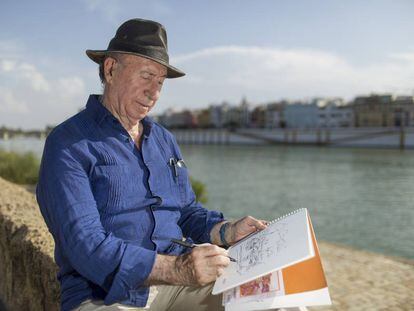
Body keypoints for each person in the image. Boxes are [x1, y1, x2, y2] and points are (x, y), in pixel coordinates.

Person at [36, 18, 267, 311]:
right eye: (146, 76)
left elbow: (186, 211)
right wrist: (178, 269)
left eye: (160, 82)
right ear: (110, 69)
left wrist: (227, 231)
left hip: (178, 286)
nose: (154, 92)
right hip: (104, 295)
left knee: (275, 300)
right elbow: (86, 246)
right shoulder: (67, 143)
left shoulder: (164, 139)